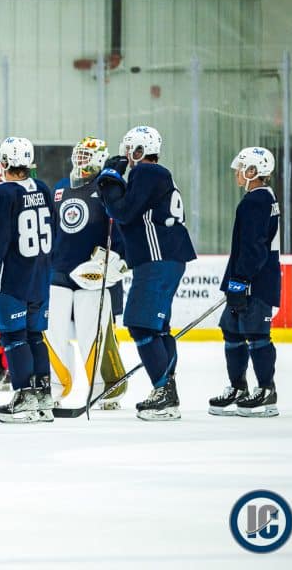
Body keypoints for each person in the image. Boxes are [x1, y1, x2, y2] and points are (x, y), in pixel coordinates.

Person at [97, 126, 197, 421]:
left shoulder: (146, 172)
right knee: (157, 327)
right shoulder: (156, 174)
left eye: (130, 150)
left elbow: (123, 212)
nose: (127, 155)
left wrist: (110, 179)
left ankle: (164, 391)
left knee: (140, 324)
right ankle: (166, 389)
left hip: (158, 258)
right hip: (166, 258)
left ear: (139, 150)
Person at [45, 137, 129, 410]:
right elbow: (52, 229)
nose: (80, 159)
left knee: (93, 335)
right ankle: (54, 387)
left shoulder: (107, 188)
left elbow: (120, 229)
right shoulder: (60, 188)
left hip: (92, 277)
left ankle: (107, 389)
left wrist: (116, 258)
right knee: (52, 333)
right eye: (78, 154)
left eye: (86, 155)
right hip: (58, 272)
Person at [208, 147, 280, 418]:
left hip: (254, 282)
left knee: (257, 334)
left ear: (253, 171)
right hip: (244, 278)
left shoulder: (256, 200)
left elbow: (254, 246)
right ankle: (238, 387)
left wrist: (240, 281)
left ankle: (266, 390)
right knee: (232, 330)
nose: (237, 173)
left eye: (241, 169)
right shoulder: (263, 197)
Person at [0, 137, 55, 423]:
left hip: (13, 276)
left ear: (5, 162)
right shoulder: (42, 188)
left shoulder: (3, 193)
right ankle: (43, 394)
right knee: (35, 335)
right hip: (40, 274)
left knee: (14, 336)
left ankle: (25, 396)